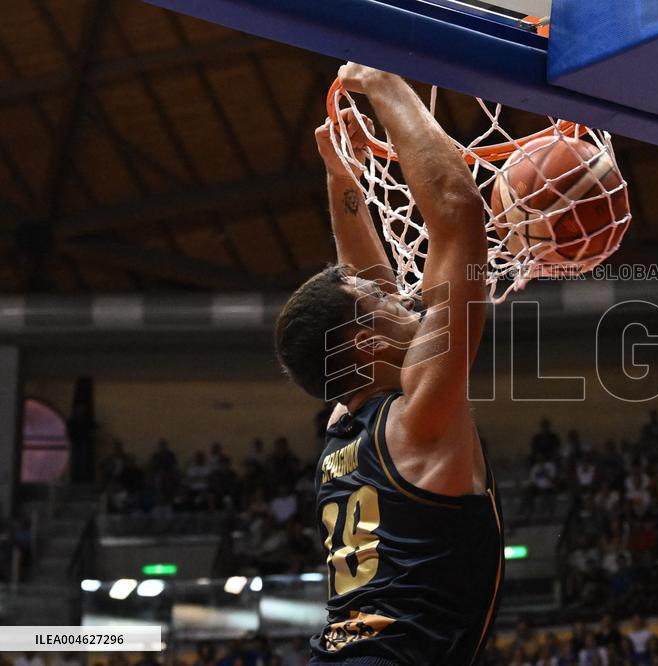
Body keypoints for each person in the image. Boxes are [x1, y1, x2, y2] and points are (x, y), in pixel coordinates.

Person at [275, 63, 502, 664]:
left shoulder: (344, 428)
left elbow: (362, 289)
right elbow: (458, 211)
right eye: (384, 300)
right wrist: (384, 82)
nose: (399, 293)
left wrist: (341, 180)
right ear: (369, 346)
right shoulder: (420, 417)